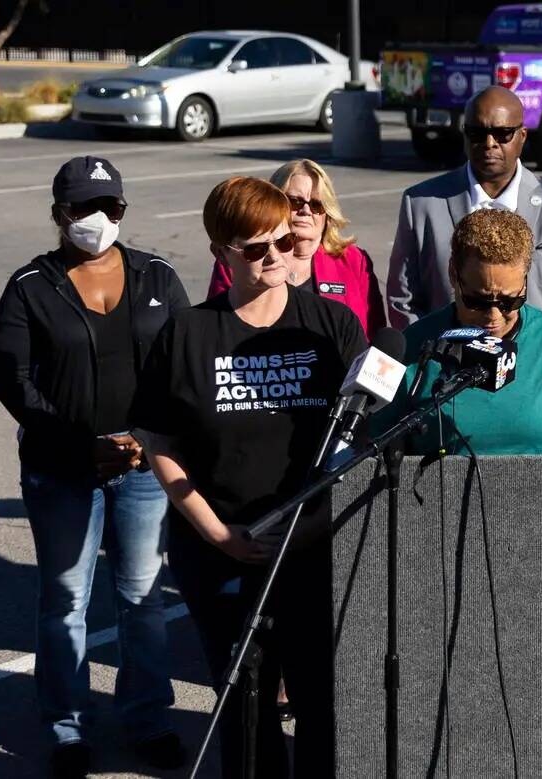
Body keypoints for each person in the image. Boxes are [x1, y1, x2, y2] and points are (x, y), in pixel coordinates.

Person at [132, 177, 368, 777]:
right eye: (255, 249)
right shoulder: (186, 334)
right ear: (221, 254)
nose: (275, 258)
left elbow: (358, 436)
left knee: (321, 698)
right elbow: (161, 446)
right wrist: (220, 536)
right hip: (220, 554)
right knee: (246, 698)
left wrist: (313, 525)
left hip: (313, 546)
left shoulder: (331, 326)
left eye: (285, 242)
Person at [0, 156, 188, 778]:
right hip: (61, 470)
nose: (98, 220)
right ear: (58, 214)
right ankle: (66, 728)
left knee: (143, 598)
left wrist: (146, 438)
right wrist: (79, 444)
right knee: (66, 600)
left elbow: (183, 362)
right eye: (82, 209)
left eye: (111, 208)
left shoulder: (158, 276)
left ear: (124, 211)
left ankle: (148, 720)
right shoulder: (30, 286)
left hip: (140, 467)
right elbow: (12, 380)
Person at [382, 208, 542, 457]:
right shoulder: (414, 344)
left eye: (509, 302)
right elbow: (378, 446)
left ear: (525, 280)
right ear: (453, 274)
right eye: (477, 301)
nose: (493, 316)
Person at [386, 86, 542, 339]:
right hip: (447, 366)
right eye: (477, 133)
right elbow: (403, 299)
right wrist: (434, 354)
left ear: (522, 136)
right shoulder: (421, 203)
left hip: (537, 366)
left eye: (502, 134)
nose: (489, 143)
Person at [207, 158, 387, 337]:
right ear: (273, 205)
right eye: (295, 202)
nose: (306, 211)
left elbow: (374, 333)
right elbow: (218, 327)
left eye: (317, 204)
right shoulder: (242, 258)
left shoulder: (354, 260)